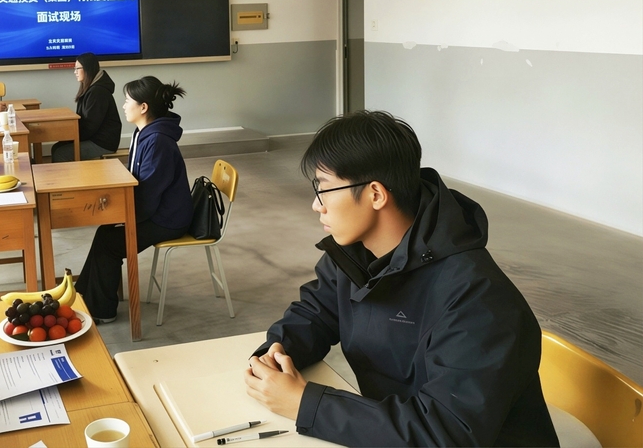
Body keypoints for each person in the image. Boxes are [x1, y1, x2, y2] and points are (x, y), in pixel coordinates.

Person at [244, 110, 559, 446]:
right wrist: (276, 353)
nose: (316, 205)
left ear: (376, 194)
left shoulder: (478, 300)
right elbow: (316, 312)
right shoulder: (356, 254)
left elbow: (447, 434)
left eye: (325, 189)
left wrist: (306, 405)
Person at [74, 76, 193, 323]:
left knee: (109, 241)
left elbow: (148, 194)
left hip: (167, 219)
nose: (124, 105)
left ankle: (101, 311)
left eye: (128, 101)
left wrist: (122, 215)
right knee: (106, 232)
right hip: (157, 211)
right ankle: (85, 296)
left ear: (143, 107)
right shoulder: (145, 133)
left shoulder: (158, 141)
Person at [51, 52, 121, 162]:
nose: (75, 72)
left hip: (102, 143)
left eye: (77, 68)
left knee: (60, 153)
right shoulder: (90, 88)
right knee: (56, 147)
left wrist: (72, 137)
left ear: (88, 69)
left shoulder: (98, 92)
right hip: (93, 138)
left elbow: (90, 127)